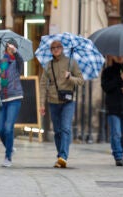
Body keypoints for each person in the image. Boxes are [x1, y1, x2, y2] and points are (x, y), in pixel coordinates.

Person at [39, 40, 84, 168]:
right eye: (53, 48)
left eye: (58, 47)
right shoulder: (48, 65)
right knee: (57, 131)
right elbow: (43, 85)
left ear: (62, 48)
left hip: (68, 101)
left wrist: (71, 77)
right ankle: (60, 156)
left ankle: (63, 156)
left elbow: (81, 80)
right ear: (51, 51)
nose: (56, 50)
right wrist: (41, 104)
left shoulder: (71, 63)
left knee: (65, 128)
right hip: (53, 101)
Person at [0, 38, 23, 167]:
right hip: (1, 99)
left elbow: (20, 60)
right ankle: (10, 147)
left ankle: (8, 156)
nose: (10, 50)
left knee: (9, 128)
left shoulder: (17, 63)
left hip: (14, 98)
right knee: (0, 129)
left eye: (12, 48)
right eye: (8, 48)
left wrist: (15, 52)